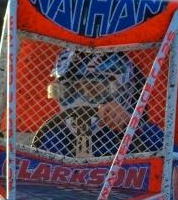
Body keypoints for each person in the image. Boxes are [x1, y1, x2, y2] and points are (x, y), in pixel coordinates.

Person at [33, 49, 164, 157]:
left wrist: (132, 129)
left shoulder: (148, 136)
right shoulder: (52, 137)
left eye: (94, 89)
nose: (79, 101)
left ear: (125, 90)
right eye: (69, 90)